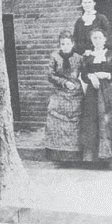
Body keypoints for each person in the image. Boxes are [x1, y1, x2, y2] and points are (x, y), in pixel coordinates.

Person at [79, 28, 112, 166]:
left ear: (105, 39)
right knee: (93, 121)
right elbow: (83, 74)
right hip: (93, 93)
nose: (97, 41)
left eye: (100, 38)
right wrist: (90, 76)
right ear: (91, 40)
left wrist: (108, 75)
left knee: (111, 122)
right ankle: (94, 159)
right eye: (95, 38)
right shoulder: (87, 57)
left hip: (110, 93)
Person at [44, 31, 84, 163]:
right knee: (56, 122)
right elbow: (50, 75)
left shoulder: (79, 58)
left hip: (75, 94)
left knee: (74, 124)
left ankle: (74, 157)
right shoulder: (54, 56)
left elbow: (83, 74)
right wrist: (64, 82)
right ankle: (58, 156)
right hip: (59, 93)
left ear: (73, 44)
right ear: (59, 45)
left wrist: (76, 85)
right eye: (63, 44)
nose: (65, 46)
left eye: (68, 43)